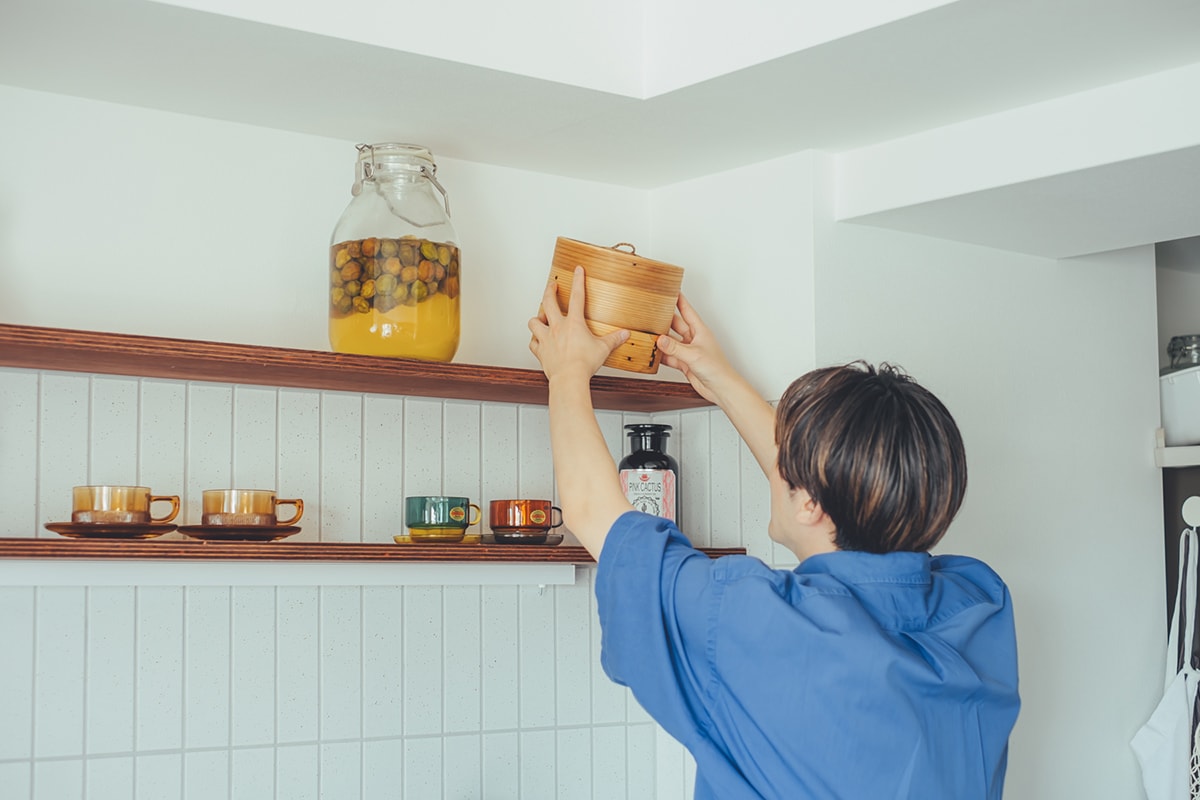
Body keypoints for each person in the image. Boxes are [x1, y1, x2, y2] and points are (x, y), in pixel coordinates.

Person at [527, 267, 1020, 800]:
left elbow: (590, 509)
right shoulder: (979, 604)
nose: (777, 467)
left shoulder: (747, 617)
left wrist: (568, 371)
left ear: (809, 501)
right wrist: (719, 379)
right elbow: (834, 497)